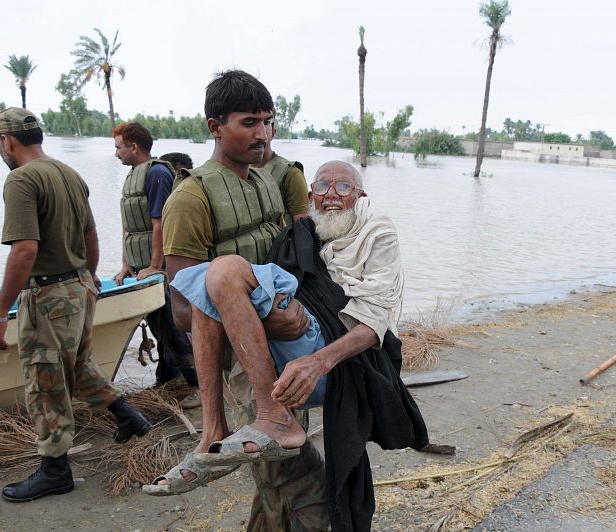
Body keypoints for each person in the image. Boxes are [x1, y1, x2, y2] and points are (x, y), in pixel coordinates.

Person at [171, 160, 429, 531]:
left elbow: (374, 323)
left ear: (360, 195)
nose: (332, 195)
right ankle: (213, 430)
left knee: (225, 270)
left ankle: (272, 418)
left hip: (337, 355)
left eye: (343, 187)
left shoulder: (377, 232)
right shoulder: (302, 233)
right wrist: (275, 313)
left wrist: (317, 362)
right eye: (323, 186)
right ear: (311, 196)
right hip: (293, 343)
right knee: (207, 281)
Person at [151, 70, 328, 530]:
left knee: (276, 481)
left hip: (285, 354)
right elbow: (183, 311)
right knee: (300, 481)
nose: (262, 134)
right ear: (215, 127)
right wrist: (271, 322)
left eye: (267, 122)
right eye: (249, 122)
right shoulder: (190, 198)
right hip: (244, 366)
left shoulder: (266, 180)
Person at [0, 108, 152, 503]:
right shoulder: (68, 173)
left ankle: (54, 470)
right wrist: (89, 276)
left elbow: (25, 251)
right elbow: (91, 235)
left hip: (47, 294)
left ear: (8, 140)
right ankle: (130, 418)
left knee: (45, 381)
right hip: (78, 287)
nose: (0, 150)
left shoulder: (21, 179)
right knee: (77, 365)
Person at [113, 124, 199, 407]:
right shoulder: (133, 175)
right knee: (159, 328)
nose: (116, 153)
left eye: (119, 147)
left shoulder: (157, 173)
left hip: (158, 270)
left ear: (134, 147)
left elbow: (160, 223)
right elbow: (129, 225)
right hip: (142, 270)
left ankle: (199, 385)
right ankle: (169, 377)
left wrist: (154, 265)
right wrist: (127, 264)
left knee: (175, 328)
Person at [254, 122, 309, 225]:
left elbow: (302, 227)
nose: (258, 134)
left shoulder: (291, 174)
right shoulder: (230, 170)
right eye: (248, 123)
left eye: (266, 123)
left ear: (273, 132)